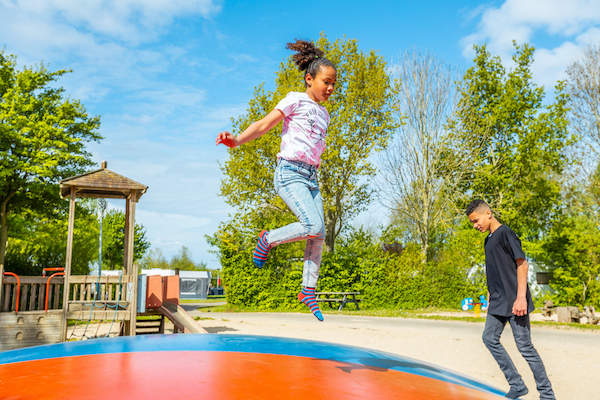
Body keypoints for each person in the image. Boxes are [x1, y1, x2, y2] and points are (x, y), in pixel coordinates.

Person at [216, 40, 336, 321]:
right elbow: (264, 124)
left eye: (334, 84)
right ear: (309, 79)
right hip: (289, 173)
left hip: (311, 177)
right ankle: (267, 239)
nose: (330, 88)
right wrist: (237, 140)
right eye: (326, 82)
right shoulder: (295, 99)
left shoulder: (325, 113)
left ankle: (308, 290)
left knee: (319, 233)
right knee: (312, 224)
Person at [466, 199, 555, 400]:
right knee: (489, 338)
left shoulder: (506, 233)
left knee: (525, 347)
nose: (475, 225)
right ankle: (517, 384)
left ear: (488, 213)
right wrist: (490, 294)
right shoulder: (488, 240)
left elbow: (522, 265)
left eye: (476, 220)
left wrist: (521, 298)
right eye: (472, 222)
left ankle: (547, 394)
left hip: (516, 302)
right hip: (498, 301)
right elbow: (495, 269)